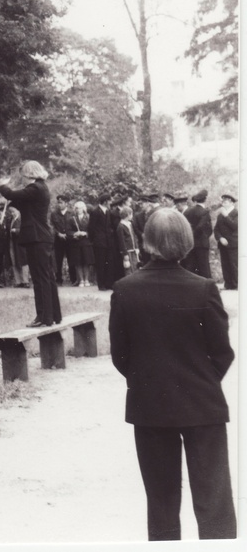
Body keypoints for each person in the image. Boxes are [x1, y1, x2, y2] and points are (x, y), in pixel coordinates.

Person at [108, 208, 236, 541]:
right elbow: (222, 352)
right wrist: (201, 381)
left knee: (161, 502)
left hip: (150, 406)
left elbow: (120, 356)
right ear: (186, 242)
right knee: (214, 503)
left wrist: (148, 381)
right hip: (202, 405)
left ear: (146, 242)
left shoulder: (124, 289)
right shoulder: (204, 288)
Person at [0, 160, 61, 327]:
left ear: (29, 174)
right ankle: (53, 315)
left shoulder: (35, 188)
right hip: (42, 237)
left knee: (40, 278)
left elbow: (13, 195)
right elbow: (19, 201)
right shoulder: (40, 188)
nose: (22, 180)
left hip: (37, 238)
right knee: (47, 277)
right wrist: (8, 200)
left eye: (23, 176)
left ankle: (43, 317)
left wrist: (2, 186)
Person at [182, 190, 213, 278]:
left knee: (191, 266)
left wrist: (190, 237)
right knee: (204, 267)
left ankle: (189, 288)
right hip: (202, 243)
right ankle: (207, 288)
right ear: (205, 199)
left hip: (190, 243)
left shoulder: (188, 211)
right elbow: (204, 228)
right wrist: (205, 236)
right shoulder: (205, 212)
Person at [65, 200, 93, 287]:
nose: (78, 210)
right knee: (78, 262)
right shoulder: (71, 219)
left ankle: (86, 280)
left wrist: (86, 233)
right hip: (76, 243)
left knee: (86, 261)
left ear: (84, 208)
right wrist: (75, 234)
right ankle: (81, 280)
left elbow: (93, 230)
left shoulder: (89, 217)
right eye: (76, 208)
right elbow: (68, 231)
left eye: (80, 208)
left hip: (86, 242)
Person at [213, 194, 237, 290]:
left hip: (233, 243)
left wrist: (226, 216)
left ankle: (236, 284)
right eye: (222, 202)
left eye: (226, 202)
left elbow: (235, 226)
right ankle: (228, 284)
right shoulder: (220, 215)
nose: (223, 203)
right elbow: (216, 229)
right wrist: (220, 238)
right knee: (225, 264)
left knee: (233, 264)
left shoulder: (237, 213)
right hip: (223, 243)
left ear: (231, 202)